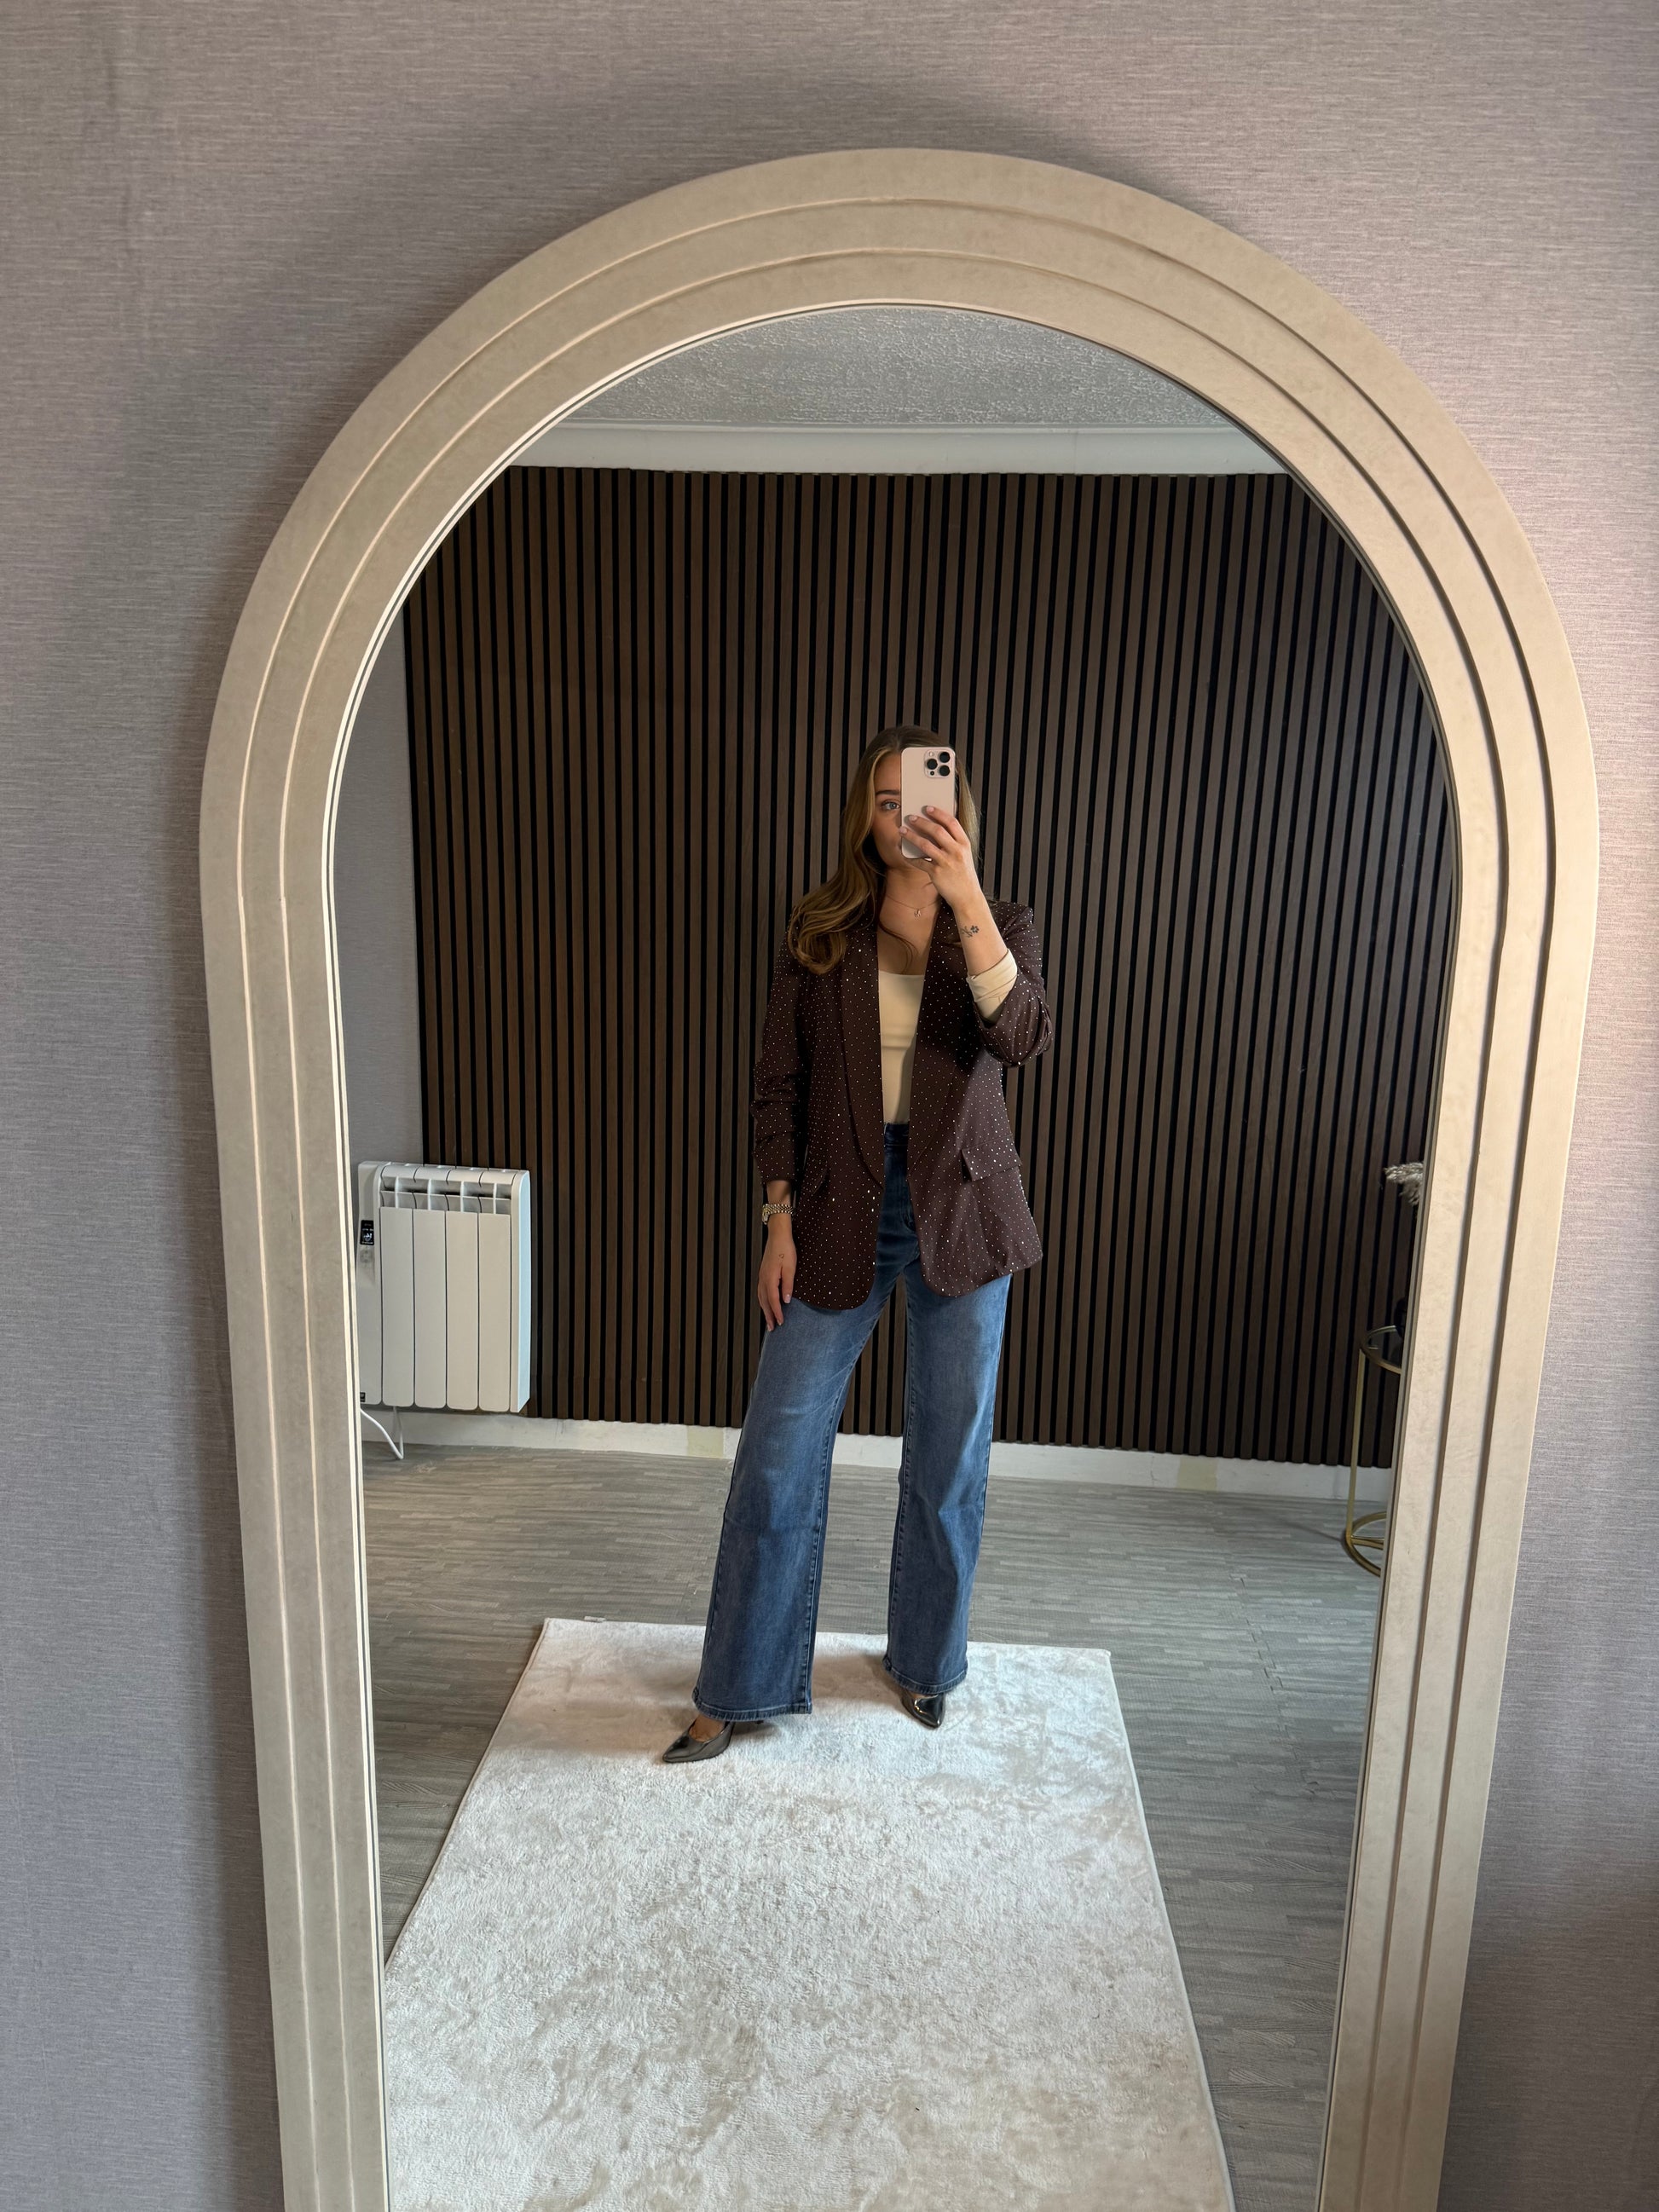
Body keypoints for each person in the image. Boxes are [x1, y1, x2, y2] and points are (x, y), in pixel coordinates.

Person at [663, 726, 1055, 1762]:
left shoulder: (998, 922)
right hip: (840, 1204)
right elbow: (777, 1087)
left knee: (947, 1459)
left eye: (920, 798)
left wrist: (965, 899)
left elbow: (1020, 1035)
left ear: (955, 806)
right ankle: (739, 1683)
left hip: (962, 1212)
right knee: (776, 1451)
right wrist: (776, 1219)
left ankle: (926, 1663)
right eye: (885, 801)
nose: (903, 818)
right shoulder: (821, 931)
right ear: (862, 817)